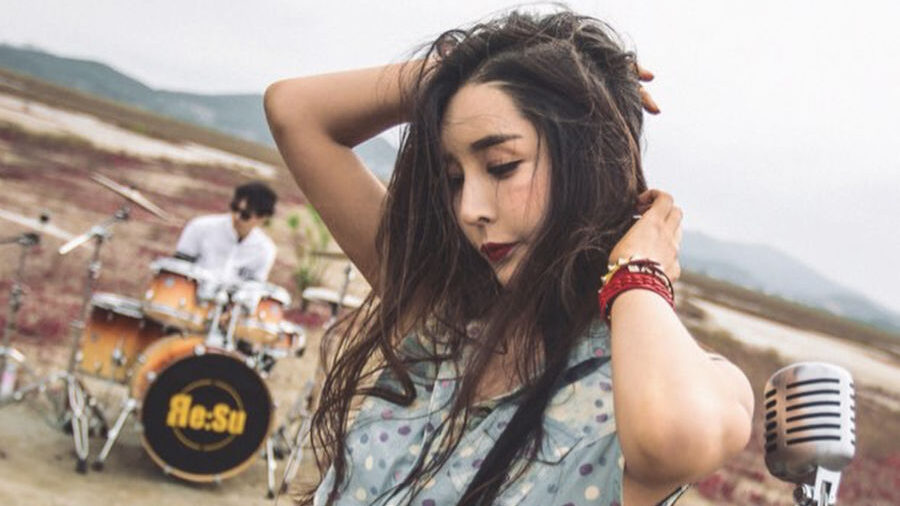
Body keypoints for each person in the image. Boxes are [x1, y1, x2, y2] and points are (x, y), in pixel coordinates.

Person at [265, 10, 753, 506]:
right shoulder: (441, 316)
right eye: (455, 178)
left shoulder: (659, 384)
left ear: (588, 160)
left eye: (501, 167)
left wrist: (639, 272)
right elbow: (294, 111)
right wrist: (465, 68)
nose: (468, 209)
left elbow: (670, 437)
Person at [174, 181, 277, 282]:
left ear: (263, 218)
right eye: (235, 208)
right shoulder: (200, 226)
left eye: (245, 215)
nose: (236, 217)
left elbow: (254, 287)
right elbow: (177, 267)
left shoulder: (265, 249)